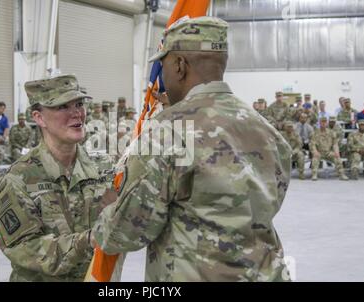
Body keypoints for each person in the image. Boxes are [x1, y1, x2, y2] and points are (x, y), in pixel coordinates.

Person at [93, 17, 292, 282]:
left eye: (163, 66)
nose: (161, 77)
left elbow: (129, 231)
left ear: (179, 66)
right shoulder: (267, 130)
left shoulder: (168, 130)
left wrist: (109, 210)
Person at [0, 74, 117, 282]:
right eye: (62, 107)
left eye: (78, 104)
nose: (76, 113)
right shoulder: (19, 178)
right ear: (39, 118)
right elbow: (26, 249)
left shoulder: (104, 168)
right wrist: (88, 240)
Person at [310, 117, 348, 181]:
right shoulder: (315, 133)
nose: (323, 123)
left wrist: (336, 152)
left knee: (337, 158)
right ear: (320, 123)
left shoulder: (331, 132)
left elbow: (335, 144)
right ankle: (314, 174)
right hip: (319, 152)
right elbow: (312, 144)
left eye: (325, 122)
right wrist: (315, 151)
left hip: (328, 152)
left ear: (326, 123)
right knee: (315, 159)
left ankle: (342, 174)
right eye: (322, 122)